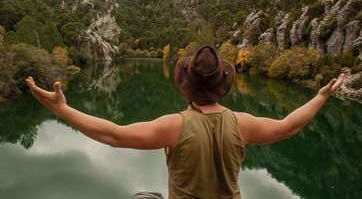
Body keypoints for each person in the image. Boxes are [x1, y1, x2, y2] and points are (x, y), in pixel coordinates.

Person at [26, 45, 344, 199]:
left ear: (186, 85)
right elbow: (289, 125)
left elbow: (115, 136)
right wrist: (319, 97)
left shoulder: (174, 125)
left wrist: (62, 110)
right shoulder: (242, 123)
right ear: (222, 84)